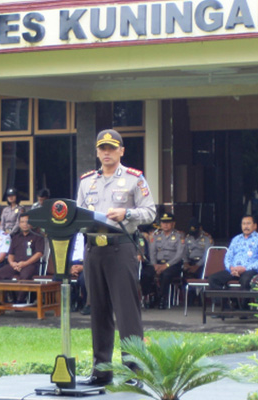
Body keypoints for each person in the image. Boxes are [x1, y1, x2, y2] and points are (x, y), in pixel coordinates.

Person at [76, 128, 156, 387]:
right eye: (102, 148)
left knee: (126, 313)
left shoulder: (135, 178)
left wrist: (127, 214)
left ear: (121, 151)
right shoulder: (86, 181)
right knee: (98, 311)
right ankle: (101, 371)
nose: (107, 152)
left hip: (121, 248)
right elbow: (78, 215)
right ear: (97, 152)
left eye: (112, 148)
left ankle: (134, 373)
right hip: (93, 251)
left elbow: (150, 212)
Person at [208, 215, 258, 293]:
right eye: (243, 224)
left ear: (255, 226)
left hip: (250, 270)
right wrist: (231, 268)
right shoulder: (236, 239)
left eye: (248, 223)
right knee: (213, 279)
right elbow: (228, 256)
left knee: (245, 280)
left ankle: (244, 305)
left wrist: (245, 268)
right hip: (233, 271)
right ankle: (229, 302)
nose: (246, 226)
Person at [0, 214, 45, 303]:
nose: (25, 224)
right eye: (22, 222)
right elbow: (11, 254)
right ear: (19, 224)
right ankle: (4, 300)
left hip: (31, 265)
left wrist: (25, 263)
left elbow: (39, 254)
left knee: (24, 276)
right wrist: (12, 263)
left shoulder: (38, 237)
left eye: (27, 222)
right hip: (15, 264)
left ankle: (20, 300)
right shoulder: (15, 237)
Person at [147, 212, 185, 310]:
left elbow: (179, 255)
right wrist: (154, 264)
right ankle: (152, 295)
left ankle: (162, 299)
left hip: (173, 264)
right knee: (146, 273)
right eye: (163, 222)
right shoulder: (156, 235)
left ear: (173, 224)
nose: (165, 225)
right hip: (158, 263)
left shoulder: (179, 236)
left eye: (168, 222)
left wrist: (166, 265)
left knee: (166, 274)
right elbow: (152, 252)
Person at [183, 217, 214, 306]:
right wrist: (186, 263)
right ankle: (189, 298)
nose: (194, 234)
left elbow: (207, 254)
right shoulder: (187, 237)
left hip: (203, 264)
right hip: (190, 262)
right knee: (184, 273)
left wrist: (197, 265)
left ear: (200, 228)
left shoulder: (207, 238)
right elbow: (184, 252)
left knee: (200, 273)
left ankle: (201, 298)